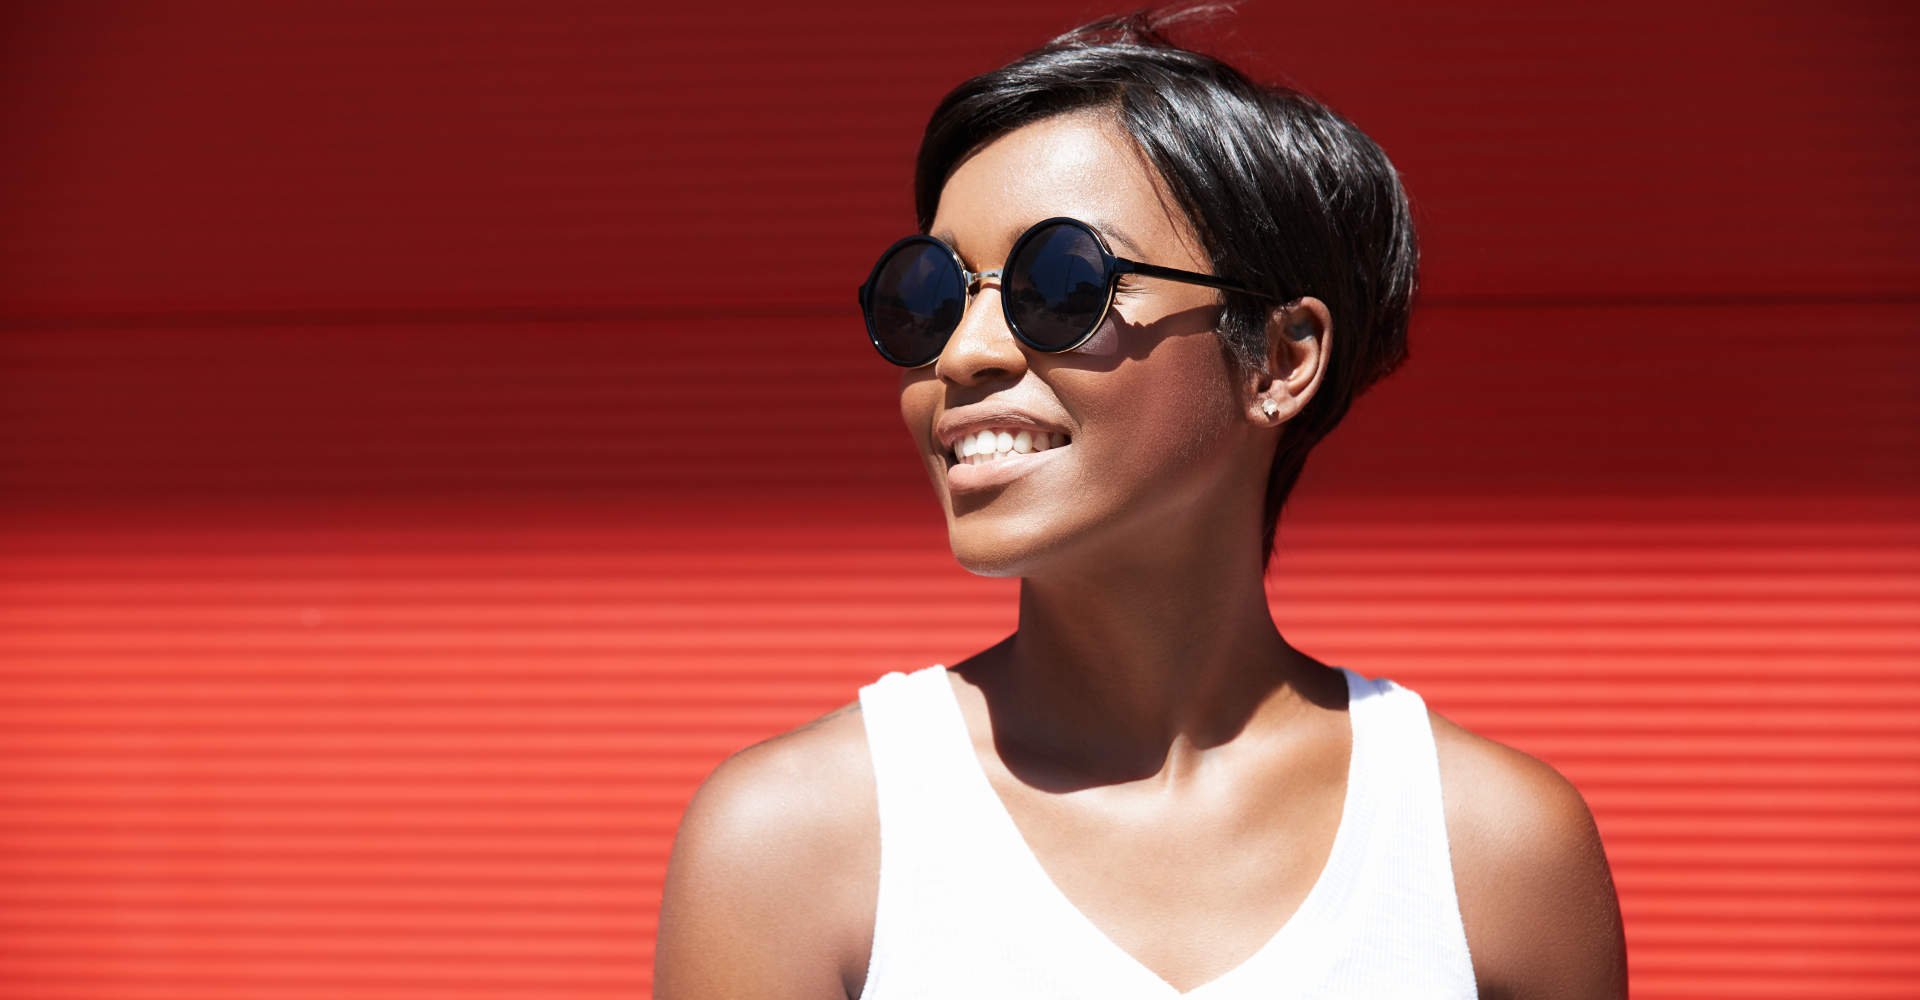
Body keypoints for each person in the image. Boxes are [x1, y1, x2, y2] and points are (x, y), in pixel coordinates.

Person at [653, 4, 1627, 997]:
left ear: (1281, 360)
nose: (965, 352)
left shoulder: (1497, 856)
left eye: (1062, 282)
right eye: (934, 295)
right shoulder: (793, 843)